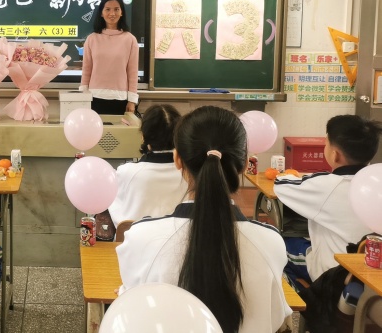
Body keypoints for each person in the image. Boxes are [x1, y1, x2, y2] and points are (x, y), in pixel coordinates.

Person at [116, 106, 290, 333]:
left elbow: (131, 307)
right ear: (246, 162)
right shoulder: (271, 242)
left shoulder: (141, 238)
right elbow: (275, 319)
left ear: (177, 159)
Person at [274, 115, 381, 285]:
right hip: (373, 273)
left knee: (276, 246)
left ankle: (304, 297)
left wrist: (290, 174)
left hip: (334, 275)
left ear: (334, 154)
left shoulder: (327, 186)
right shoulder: (377, 182)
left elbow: (280, 185)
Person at [107, 104, 187, 228]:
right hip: (179, 239)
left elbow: (118, 217)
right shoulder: (190, 175)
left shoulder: (126, 172)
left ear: (143, 136)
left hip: (134, 239)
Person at [80, 0, 139, 115]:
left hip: (121, 98)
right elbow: (86, 70)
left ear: (122, 12)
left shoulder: (130, 39)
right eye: (107, 9)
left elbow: (132, 73)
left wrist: (132, 101)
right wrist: (83, 96)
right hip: (94, 97)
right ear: (101, 13)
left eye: (116, 9)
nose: (112, 13)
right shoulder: (92, 39)